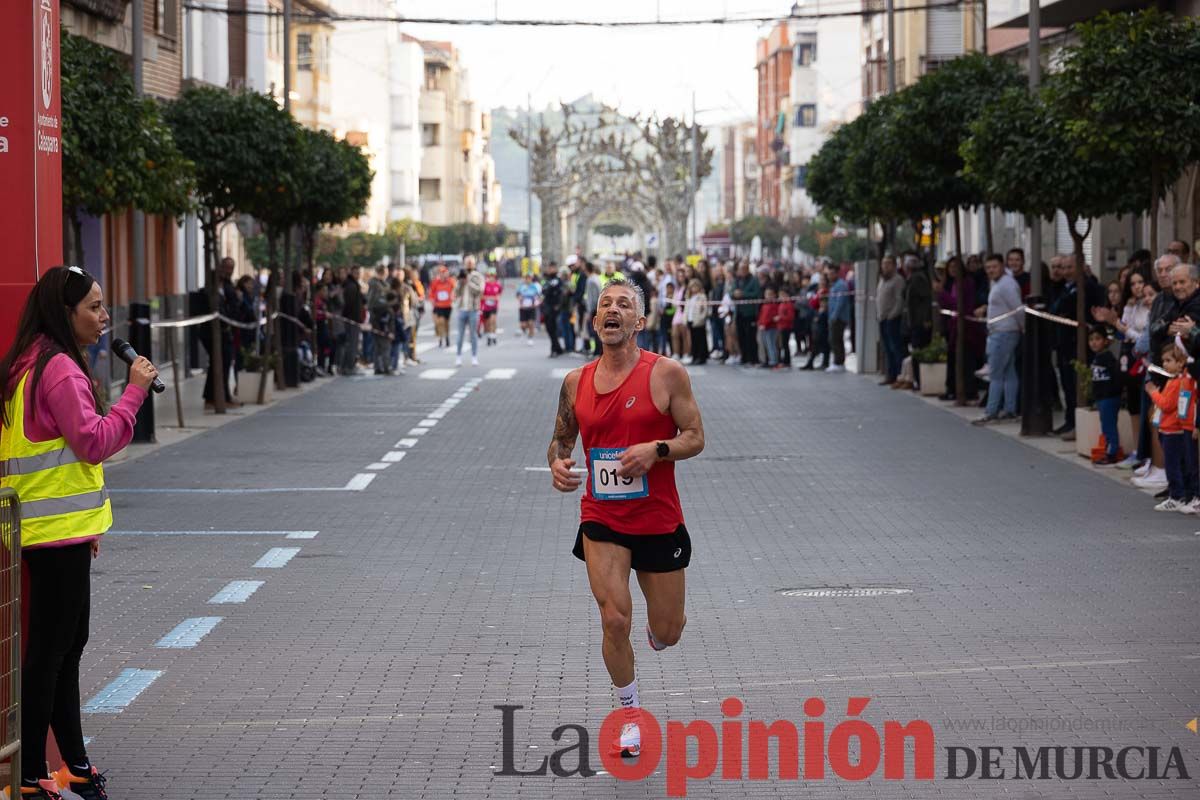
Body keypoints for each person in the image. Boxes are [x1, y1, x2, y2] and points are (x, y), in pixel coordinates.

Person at [0, 266, 158, 800]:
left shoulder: (25, 363)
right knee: (51, 653)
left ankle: (74, 765)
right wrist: (134, 393)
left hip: (49, 529)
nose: (104, 316)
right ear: (65, 313)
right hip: (55, 531)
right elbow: (92, 442)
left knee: (62, 649)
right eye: (93, 306)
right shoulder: (60, 370)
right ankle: (28, 777)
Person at [547, 277, 705, 759]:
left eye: (624, 305)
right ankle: (630, 714)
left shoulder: (667, 374)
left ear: (640, 321)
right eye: (604, 305)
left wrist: (656, 450)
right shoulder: (575, 382)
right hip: (602, 517)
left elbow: (694, 436)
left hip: (657, 519)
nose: (612, 310)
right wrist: (556, 463)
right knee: (614, 618)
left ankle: (661, 635)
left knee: (668, 631)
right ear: (596, 322)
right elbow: (561, 441)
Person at [1147, 341, 1198, 512]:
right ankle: (1182, 495)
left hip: (1174, 429)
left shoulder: (1180, 382)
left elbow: (1168, 404)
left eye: (1169, 360)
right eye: (1164, 361)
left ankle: (1178, 495)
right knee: (1178, 464)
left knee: (1175, 464)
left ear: (1180, 363)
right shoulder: (1173, 380)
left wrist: (1153, 393)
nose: (1164, 364)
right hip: (1167, 427)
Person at [973, 254, 1023, 424]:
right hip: (1003, 332)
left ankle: (991, 411)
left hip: (1003, 333)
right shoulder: (999, 283)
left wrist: (1022, 327)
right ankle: (1009, 409)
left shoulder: (1006, 285)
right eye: (987, 268)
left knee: (995, 373)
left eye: (994, 267)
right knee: (1009, 373)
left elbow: (1017, 308)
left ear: (1002, 266)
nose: (990, 271)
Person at [1087, 326, 1123, 465]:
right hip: (1102, 398)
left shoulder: (1108, 358)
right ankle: (1109, 450)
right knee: (1106, 424)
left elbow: (1116, 377)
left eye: (1097, 339)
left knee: (1109, 425)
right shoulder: (1097, 358)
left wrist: (1114, 393)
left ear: (1105, 341)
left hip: (1109, 397)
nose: (1094, 343)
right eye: (1091, 340)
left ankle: (1112, 453)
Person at [876, 255, 906, 385]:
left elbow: (899, 300)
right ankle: (891, 375)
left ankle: (900, 375)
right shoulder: (882, 280)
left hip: (893, 319)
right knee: (887, 348)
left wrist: (892, 315)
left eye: (888, 264)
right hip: (882, 318)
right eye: (883, 264)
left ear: (894, 266)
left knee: (895, 348)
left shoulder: (898, 280)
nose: (885, 267)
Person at [453, 256, 485, 367]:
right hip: (462, 308)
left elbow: (480, 291)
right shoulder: (460, 276)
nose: (469, 265)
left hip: (473, 309)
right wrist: (460, 282)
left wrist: (469, 282)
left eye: (471, 263)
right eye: (467, 263)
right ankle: (458, 357)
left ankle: (474, 357)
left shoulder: (478, 276)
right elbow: (456, 292)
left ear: (474, 264)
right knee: (460, 335)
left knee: (473, 334)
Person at [826, 262, 851, 373]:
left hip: (839, 317)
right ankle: (838, 361)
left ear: (837, 274)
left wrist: (834, 316)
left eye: (832, 274)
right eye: (828, 274)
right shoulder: (834, 285)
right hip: (833, 316)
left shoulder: (841, 285)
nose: (829, 276)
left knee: (836, 340)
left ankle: (839, 362)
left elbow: (840, 302)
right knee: (834, 340)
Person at [340, 265, 365, 375]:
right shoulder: (352, 286)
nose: (358, 275)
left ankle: (348, 366)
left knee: (351, 343)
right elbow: (349, 304)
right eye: (356, 273)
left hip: (354, 318)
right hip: (352, 319)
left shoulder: (354, 285)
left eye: (359, 272)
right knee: (352, 344)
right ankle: (348, 367)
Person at [429, 265, 455, 349]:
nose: (442, 275)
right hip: (438, 305)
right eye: (441, 273)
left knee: (446, 323)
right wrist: (432, 300)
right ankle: (440, 338)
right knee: (440, 322)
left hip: (447, 305)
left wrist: (453, 296)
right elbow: (431, 293)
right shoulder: (435, 282)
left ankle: (447, 336)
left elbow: (454, 290)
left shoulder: (450, 281)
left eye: (444, 273)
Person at [542, 264, 566, 357]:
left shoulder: (557, 280)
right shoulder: (547, 280)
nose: (549, 270)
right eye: (549, 268)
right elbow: (544, 290)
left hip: (554, 307)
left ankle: (554, 349)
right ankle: (557, 348)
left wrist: (558, 305)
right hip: (547, 307)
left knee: (553, 328)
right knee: (549, 329)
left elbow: (560, 293)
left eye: (551, 268)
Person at [685, 278, 709, 365]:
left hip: (699, 321)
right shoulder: (689, 298)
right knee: (693, 340)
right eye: (692, 287)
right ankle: (694, 356)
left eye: (695, 286)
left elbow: (704, 309)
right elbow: (687, 309)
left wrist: (701, 318)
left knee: (700, 339)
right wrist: (686, 319)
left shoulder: (702, 297)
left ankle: (701, 356)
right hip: (691, 320)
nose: (693, 289)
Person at [516, 273, 542, 345]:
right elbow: (517, 295)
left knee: (531, 323)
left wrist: (536, 303)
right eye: (526, 278)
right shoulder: (521, 287)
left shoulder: (534, 287)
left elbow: (539, 296)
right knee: (523, 325)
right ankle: (524, 330)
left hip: (531, 308)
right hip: (523, 308)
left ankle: (530, 338)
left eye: (529, 278)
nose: (528, 280)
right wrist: (520, 299)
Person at [481, 268, 503, 346]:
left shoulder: (498, 285)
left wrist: (495, 298)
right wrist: (489, 298)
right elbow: (481, 296)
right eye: (490, 276)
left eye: (493, 276)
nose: (491, 277)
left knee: (493, 320)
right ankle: (489, 336)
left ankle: (493, 335)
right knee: (487, 323)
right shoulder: (484, 285)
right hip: (486, 307)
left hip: (494, 306)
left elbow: (499, 295)